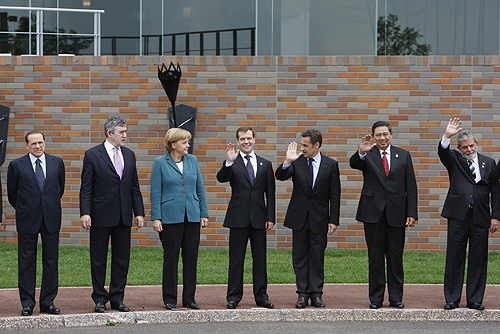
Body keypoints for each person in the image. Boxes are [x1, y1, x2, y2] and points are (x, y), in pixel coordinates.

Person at [349, 121, 417, 309]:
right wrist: (361, 151)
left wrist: (412, 212)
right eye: (378, 135)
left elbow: (411, 186)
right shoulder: (367, 154)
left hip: (397, 213)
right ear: (373, 136)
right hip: (373, 214)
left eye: (385, 134)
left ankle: (396, 298)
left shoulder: (403, 155)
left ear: (391, 134)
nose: (382, 138)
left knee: (396, 258)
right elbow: (354, 163)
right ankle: (376, 298)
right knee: (375, 258)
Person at [80, 116, 145, 313]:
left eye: (126, 131)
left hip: (124, 216)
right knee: (98, 258)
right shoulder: (92, 155)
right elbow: (86, 188)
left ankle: (117, 298)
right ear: (109, 133)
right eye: (121, 132)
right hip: (100, 215)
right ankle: (99, 298)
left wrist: (139, 212)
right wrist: (85, 212)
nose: (125, 135)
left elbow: (134, 185)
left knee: (122, 259)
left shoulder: (130, 155)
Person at [438, 117, 500, 311]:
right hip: (458, 216)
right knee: (455, 257)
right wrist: (447, 135)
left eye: (471, 146)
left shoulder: (489, 163)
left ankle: (475, 299)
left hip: (481, 218)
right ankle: (452, 299)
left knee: (478, 259)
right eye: (464, 147)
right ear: (459, 149)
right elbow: (443, 153)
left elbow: (496, 192)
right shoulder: (455, 160)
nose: (469, 150)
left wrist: (495, 216)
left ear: (476, 144)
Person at [275, 129, 340, 308]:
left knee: (317, 257)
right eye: (301, 144)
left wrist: (333, 219)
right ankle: (302, 294)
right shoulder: (297, 161)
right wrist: (288, 160)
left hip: (320, 219)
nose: (302, 148)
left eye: (305, 145)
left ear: (317, 145)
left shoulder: (331, 165)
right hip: (299, 218)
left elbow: (335, 195)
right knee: (300, 257)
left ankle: (317, 294)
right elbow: (280, 176)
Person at [7, 131, 65, 316]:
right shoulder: (16, 165)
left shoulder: (57, 163)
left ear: (45, 143)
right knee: (26, 262)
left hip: (51, 218)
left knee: (51, 261)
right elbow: (12, 195)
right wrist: (27, 208)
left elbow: (59, 189)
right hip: (27, 219)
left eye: (40, 142)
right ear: (26, 145)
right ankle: (27, 303)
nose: (38, 146)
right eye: (33, 144)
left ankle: (48, 301)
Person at [217, 126, 276, 309]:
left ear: (254, 139)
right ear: (238, 141)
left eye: (249, 138)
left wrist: (270, 217)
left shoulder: (265, 164)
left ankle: (261, 296)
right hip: (238, 217)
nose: (246, 142)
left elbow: (270, 194)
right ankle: (233, 297)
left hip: (259, 218)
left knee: (260, 259)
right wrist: (228, 162)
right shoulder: (232, 162)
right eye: (242, 139)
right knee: (236, 259)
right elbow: (221, 178)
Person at [150, 128, 208, 310]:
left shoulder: (193, 160)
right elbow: (155, 192)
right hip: (169, 217)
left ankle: (189, 298)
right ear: (173, 144)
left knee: (191, 257)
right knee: (171, 257)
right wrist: (156, 217)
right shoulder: (160, 162)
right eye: (184, 142)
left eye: (188, 142)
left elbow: (200, 188)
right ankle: (170, 298)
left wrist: (203, 213)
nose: (188, 145)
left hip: (191, 215)